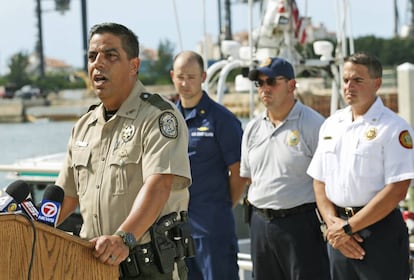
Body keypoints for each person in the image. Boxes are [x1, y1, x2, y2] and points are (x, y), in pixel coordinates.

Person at [55, 22, 192, 280]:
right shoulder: (84, 126)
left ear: (134, 66)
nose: (98, 63)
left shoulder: (158, 117)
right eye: (92, 56)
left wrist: (124, 238)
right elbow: (66, 195)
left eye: (110, 55)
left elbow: (159, 185)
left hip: (148, 268)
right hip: (93, 266)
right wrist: (31, 225)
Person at [307, 51, 414, 280]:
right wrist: (333, 225)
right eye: (346, 80)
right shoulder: (331, 124)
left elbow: (398, 189)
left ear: (377, 83)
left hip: (378, 232)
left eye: (357, 80)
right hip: (339, 231)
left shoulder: (394, 128)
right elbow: (319, 180)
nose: (349, 86)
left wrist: (348, 228)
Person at [240, 57, 331, 280]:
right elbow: (250, 178)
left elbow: (329, 180)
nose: (264, 88)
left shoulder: (313, 125)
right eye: (259, 83)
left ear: (291, 85)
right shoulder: (252, 129)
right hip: (261, 225)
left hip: (300, 225)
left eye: (271, 81)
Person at [170, 50, 246, 280]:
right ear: (172, 76)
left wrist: (222, 206)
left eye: (191, 77)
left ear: (203, 77)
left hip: (212, 227)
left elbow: (240, 173)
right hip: (177, 230)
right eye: (181, 76)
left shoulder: (221, 119)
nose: (185, 83)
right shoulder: (169, 119)